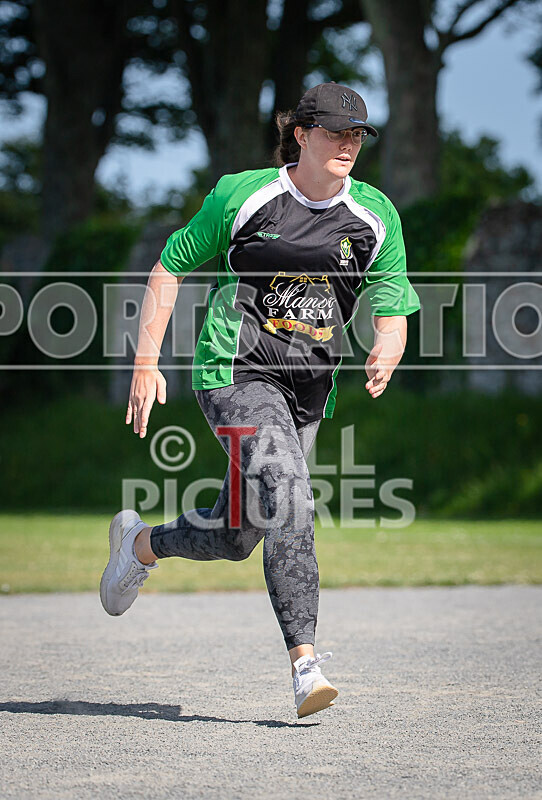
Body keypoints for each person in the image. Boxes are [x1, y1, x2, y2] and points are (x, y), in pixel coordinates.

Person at [100, 82, 420, 719]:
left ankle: (138, 546)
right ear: (301, 134)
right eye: (335, 132)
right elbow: (171, 265)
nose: (348, 144)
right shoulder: (242, 196)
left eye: (357, 135)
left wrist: (389, 344)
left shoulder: (374, 215)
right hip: (235, 371)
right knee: (291, 495)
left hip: (308, 390)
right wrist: (145, 360)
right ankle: (306, 665)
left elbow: (393, 299)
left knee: (238, 534)